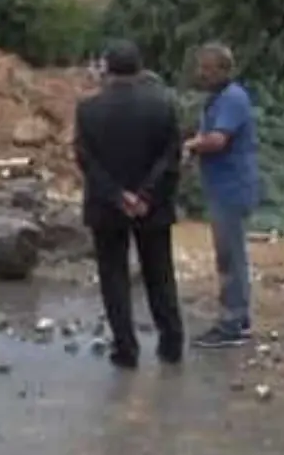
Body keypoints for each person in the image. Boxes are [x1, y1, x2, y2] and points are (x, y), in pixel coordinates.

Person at [74, 39, 185, 369]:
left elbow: (86, 160)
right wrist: (146, 195)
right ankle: (171, 344)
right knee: (160, 274)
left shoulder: (88, 109)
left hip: (107, 208)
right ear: (140, 68)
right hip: (153, 207)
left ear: (106, 68)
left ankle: (126, 349)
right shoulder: (164, 105)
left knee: (114, 277)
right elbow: (171, 157)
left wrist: (117, 195)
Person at [183, 42, 259, 349]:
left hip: (231, 188)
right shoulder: (218, 98)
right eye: (200, 67)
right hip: (222, 186)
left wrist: (190, 146)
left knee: (230, 257)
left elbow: (217, 140)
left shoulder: (232, 99)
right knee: (229, 254)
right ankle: (238, 318)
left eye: (207, 68)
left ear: (224, 69)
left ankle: (231, 323)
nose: (200, 73)